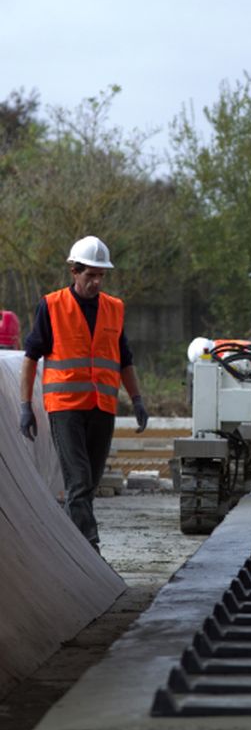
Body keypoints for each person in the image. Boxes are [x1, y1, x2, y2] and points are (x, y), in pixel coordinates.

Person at [18, 235, 149, 549]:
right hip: (65, 407)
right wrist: (25, 405)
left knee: (87, 486)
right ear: (74, 272)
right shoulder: (51, 305)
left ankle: (64, 548)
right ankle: (89, 550)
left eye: (100, 275)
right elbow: (31, 356)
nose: (96, 282)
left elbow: (124, 360)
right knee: (77, 480)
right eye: (90, 275)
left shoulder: (114, 308)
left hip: (102, 406)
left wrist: (137, 399)